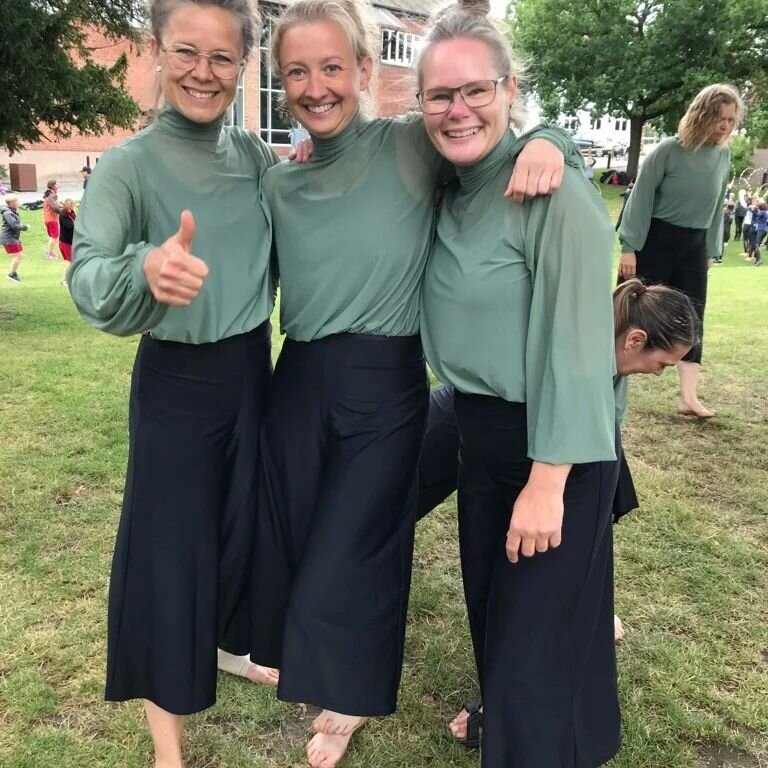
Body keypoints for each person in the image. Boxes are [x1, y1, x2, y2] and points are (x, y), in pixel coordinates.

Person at [248, 1, 580, 766]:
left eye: (333, 67)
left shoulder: (408, 144)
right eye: (296, 72)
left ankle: (348, 700)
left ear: (365, 71)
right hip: (297, 373)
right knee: (296, 533)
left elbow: (487, 131)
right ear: (282, 83)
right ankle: (295, 657)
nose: (316, 85)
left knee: (361, 543)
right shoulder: (279, 181)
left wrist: (554, 138)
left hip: (385, 375)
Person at [67, 0, 279, 765]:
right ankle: (168, 748)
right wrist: (144, 266)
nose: (203, 71)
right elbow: (89, 274)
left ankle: (227, 642)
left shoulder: (255, 157)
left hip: (252, 369)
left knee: (242, 533)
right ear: (156, 50)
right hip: (176, 383)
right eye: (186, 51)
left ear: (243, 66)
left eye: (222, 58)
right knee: (172, 556)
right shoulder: (128, 166)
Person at [416, 5, 621, 766]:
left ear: (509, 88)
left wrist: (548, 482)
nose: (457, 108)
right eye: (440, 95)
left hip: (554, 444)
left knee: (534, 643)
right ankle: (556, 731)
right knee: (502, 624)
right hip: (481, 434)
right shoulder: (450, 181)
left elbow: (577, 349)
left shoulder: (553, 192)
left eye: (476, 90)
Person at [414, 279, 699, 750]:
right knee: (390, 506)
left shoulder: (612, 377)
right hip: (468, 424)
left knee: (573, 538)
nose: (659, 374)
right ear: (634, 340)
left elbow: (591, 516)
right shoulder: (567, 348)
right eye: (661, 363)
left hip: (534, 447)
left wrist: (589, 601)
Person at [618, 83, 743, 419]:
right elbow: (639, 200)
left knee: (693, 318)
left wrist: (710, 252)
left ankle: (688, 397)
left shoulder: (723, 156)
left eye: (731, 120)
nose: (725, 126)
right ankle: (607, 380)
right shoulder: (668, 151)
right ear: (702, 114)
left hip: (694, 245)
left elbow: (717, 207)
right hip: (655, 239)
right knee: (628, 314)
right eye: (719, 117)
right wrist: (629, 248)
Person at [1, 194, 29, 282]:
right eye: (16, 201)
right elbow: (14, 225)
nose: (18, 202)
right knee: (18, 256)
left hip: (13, 237)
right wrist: (24, 227)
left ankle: (13, 273)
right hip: (9, 237)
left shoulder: (12, 211)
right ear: (12, 203)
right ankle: (11, 274)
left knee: (19, 255)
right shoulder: (8, 213)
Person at [58, 198, 77, 284]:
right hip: (66, 242)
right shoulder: (63, 214)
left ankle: (71, 278)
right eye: (71, 205)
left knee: (72, 261)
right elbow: (70, 226)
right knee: (69, 262)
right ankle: (65, 280)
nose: (72, 207)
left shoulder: (72, 213)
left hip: (71, 241)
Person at [43, 179, 62, 259]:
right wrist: (63, 212)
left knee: (53, 236)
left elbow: (55, 205)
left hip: (49, 218)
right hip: (51, 218)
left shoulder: (50, 194)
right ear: (53, 186)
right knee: (54, 236)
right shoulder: (51, 195)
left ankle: (49, 252)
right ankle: (49, 253)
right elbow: (55, 207)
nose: (58, 185)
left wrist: (62, 205)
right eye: (57, 184)